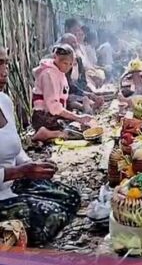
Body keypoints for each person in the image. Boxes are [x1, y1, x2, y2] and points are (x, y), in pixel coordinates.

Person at [0, 47, 80, 246]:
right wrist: (19, 172)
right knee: (49, 216)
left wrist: (33, 165)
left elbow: (15, 149)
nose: (4, 70)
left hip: (13, 186)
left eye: (6, 63)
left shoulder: (4, 102)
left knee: (71, 197)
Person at [31, 44, 92, 142]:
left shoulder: (59, 72)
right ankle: (48, 133)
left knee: (81, 127)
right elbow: (53, 107)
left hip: (54, 114)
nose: (68, 67)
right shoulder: (48, 75)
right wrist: (78, 118)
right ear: (55, 58)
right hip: (43, 117)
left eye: (71, 64)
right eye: (65, 63)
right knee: (74, 133)